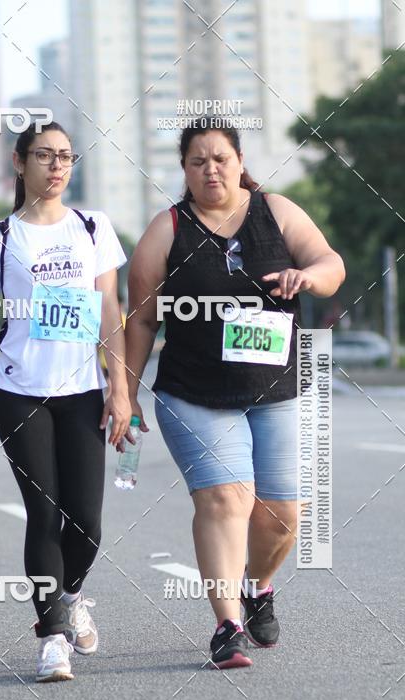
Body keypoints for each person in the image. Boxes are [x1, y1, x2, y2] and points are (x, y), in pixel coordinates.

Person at [125, 121, 345, 668]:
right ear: (184, 170)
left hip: (277, 390)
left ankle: (257, 587)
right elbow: (141, 320)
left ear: (239, 159)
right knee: (226, 499)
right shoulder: (167, 229)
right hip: (193, 392)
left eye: (220, 158)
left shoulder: (277, 212)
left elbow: (331, 265)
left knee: (282, 516)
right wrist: (123, 395)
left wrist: (307, 278)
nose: (210, 169)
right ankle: (226, 625)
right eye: (198, 161)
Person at [0, 122, 130, 682]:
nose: (56, 166)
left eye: (65, 157)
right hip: (20, 392)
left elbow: (110, 312)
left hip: (82, 394)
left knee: (89, 523)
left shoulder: (93, 226)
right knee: (44, 513)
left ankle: (71, 595)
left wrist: (120, 388)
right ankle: (52, 637)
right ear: (19, 162)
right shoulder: (0, 236)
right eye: (45, 156)